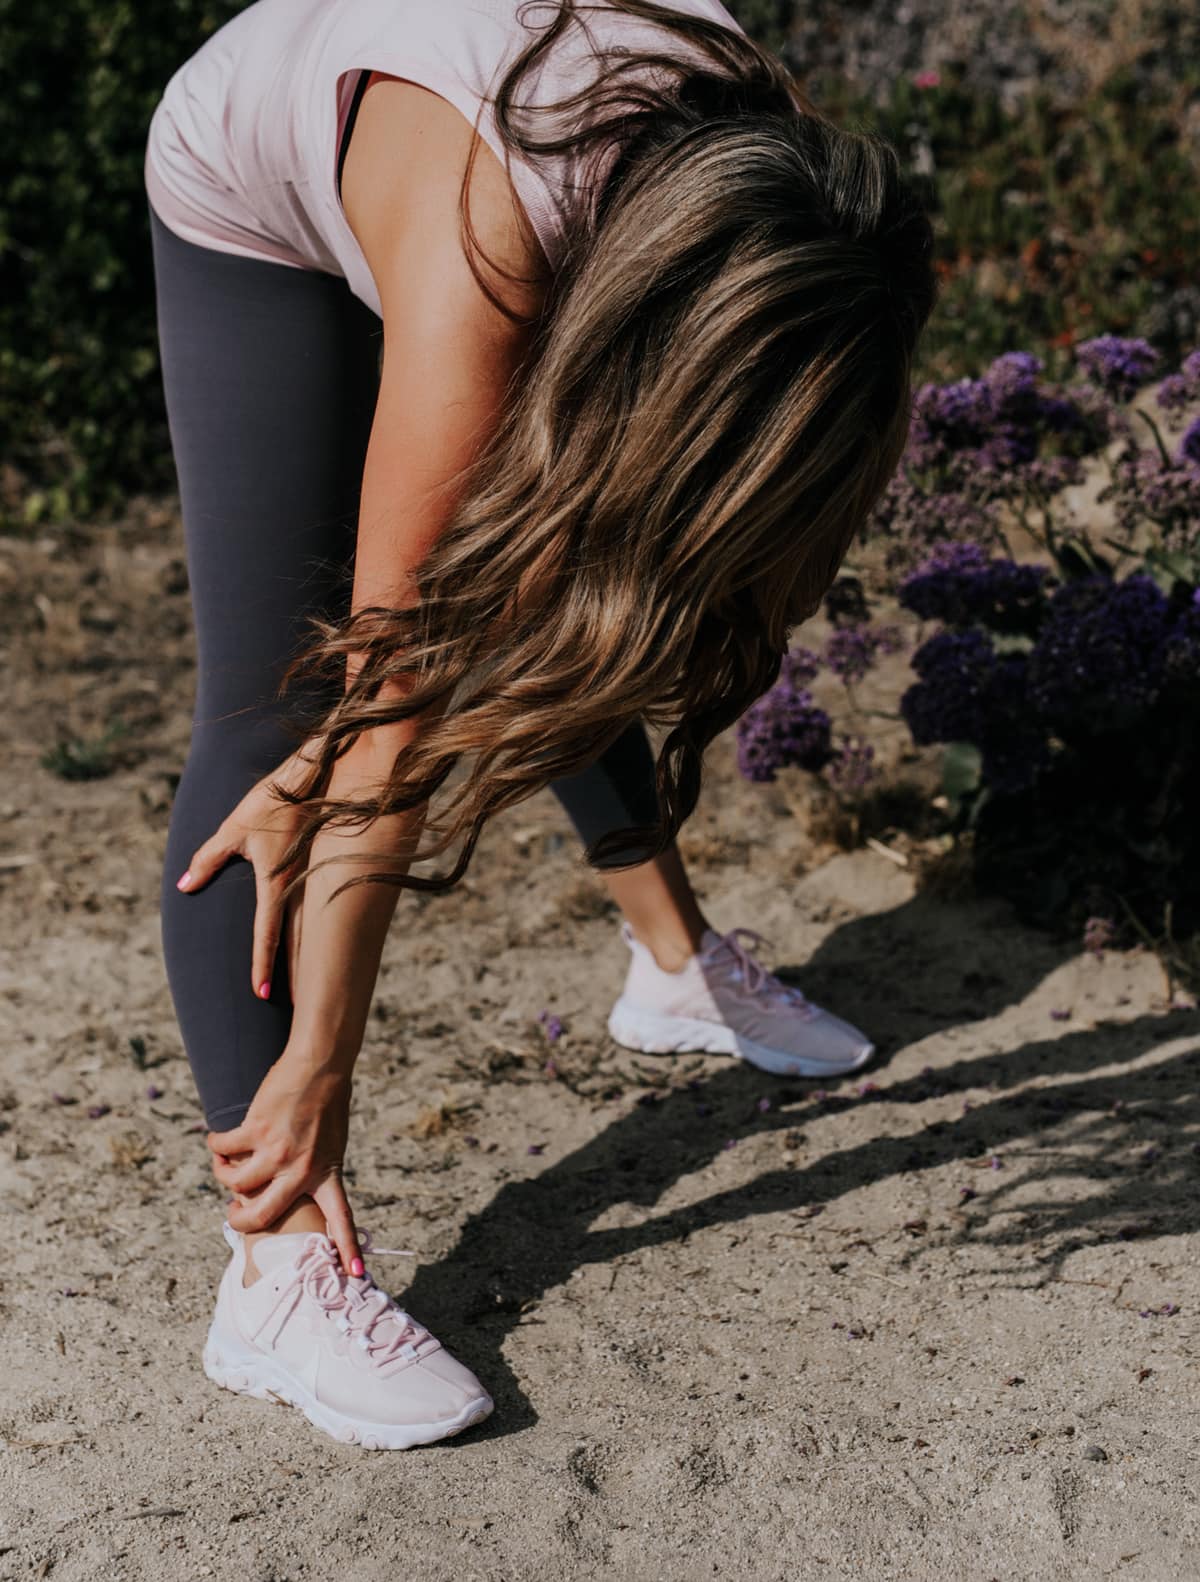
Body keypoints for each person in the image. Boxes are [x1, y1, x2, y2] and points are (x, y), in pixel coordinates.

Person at [144, 0, 937, 1450]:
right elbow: (389, 695)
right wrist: (321, 1052)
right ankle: (276, 1266)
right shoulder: (485, 249)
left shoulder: (784, 188)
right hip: (258, 175)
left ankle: (680, 971)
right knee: (276, 710)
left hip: (512, 173)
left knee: (582, 590)